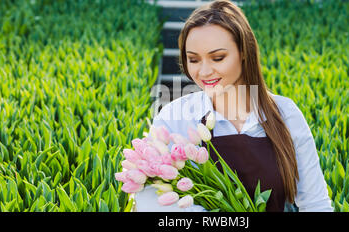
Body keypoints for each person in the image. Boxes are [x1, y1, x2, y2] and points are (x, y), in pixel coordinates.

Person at [135, 0, 333, 212]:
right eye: (193, 60)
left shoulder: (285, 113)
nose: (204, 72)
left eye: (218, 58)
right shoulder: (175, 117)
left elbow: (315, 204)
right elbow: (150, 198)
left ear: (244, 52)